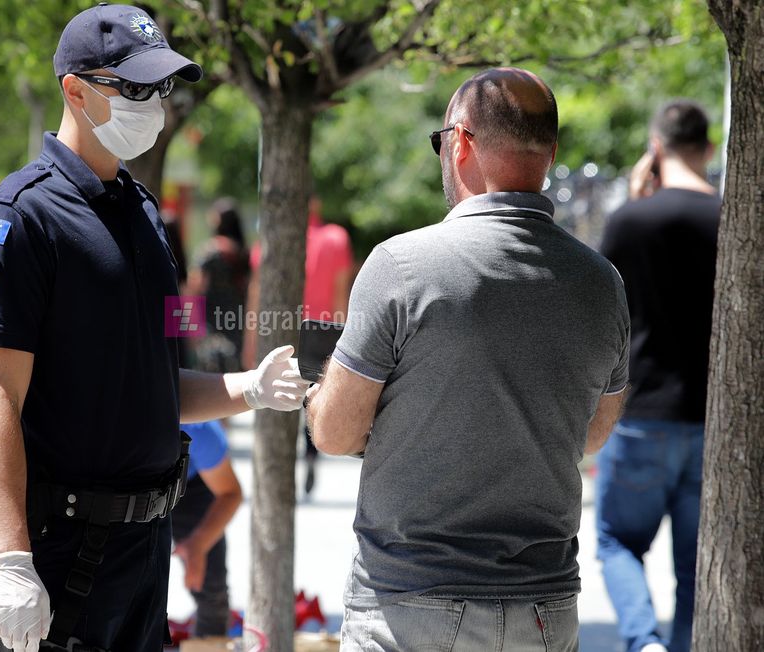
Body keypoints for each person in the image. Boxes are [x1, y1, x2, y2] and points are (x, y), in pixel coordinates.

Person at [0, 6, 307, 652]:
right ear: (75, 90)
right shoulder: (21, 216)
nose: (155, 106)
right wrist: (11, 560)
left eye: (163, 90)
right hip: (59, 547)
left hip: (144, 550)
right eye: (136, 88)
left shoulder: (144, 214)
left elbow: (156, 377)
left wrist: (248, 388)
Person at [306, 67, 630, 651]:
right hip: (545, 607)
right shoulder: (601, 283)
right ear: (550, 154)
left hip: (412, 600)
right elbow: (591, 434)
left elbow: (333, 431)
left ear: (459, 142)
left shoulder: (400, 266)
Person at [595, 100, 720, 652]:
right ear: (710, 150)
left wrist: (634, 200)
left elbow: (602, 313)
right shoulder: (734, 219)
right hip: (713, 423)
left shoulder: (628, 222)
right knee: (696, 566)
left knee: (617, 540)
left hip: (641, 415)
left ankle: (643, 642)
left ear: (655, 148)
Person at [245, 194, 354, 497]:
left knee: (277, 394)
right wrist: (343, 339)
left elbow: (257, 293)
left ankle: (279, 467)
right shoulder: (336, 238)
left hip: (280, 332)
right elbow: (340, 294)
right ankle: (310, 452)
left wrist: (251, 338)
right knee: (311, 394)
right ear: (316, 205)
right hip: (319, 332)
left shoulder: (270, 240)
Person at [170, 420, 242, 638]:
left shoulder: (197, 428)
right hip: (124, 482)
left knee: (210, 589)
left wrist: (199, 543)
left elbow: (231, 493)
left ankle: (209, 639)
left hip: (191, 485)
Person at [186, 198, 251, 373]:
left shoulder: (209, 252)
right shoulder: (245, 255)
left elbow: (191, 292)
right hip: (238, 330)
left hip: (211, 331)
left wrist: (184, 332)